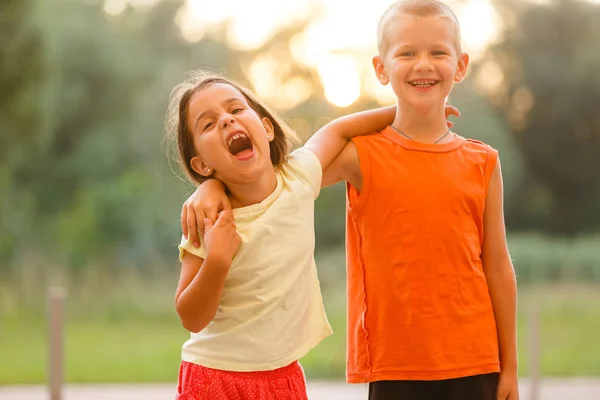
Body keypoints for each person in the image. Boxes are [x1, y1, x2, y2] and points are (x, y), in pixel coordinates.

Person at [181, 1, 519, 399]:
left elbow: (497, 266)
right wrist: (211, 186)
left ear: (460, 65)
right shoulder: (362, 157)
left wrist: (510, 367)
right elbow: (269, 178)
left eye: (438, 53)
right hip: (394, 367)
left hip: (478, 361)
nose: (423, 64)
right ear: (381, 68)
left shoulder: (483, 161)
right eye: (407, 53)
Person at [166, 70, 406, 399]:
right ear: (203, 164)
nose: (225, 120)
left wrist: (409, 112)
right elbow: (190, 317)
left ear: (265, 128)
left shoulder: (297, 177)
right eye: (208, 124)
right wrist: (218, 261)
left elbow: (338, 130)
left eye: (235, 110)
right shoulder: (207, 217)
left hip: (283, 375)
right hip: (214, 375)